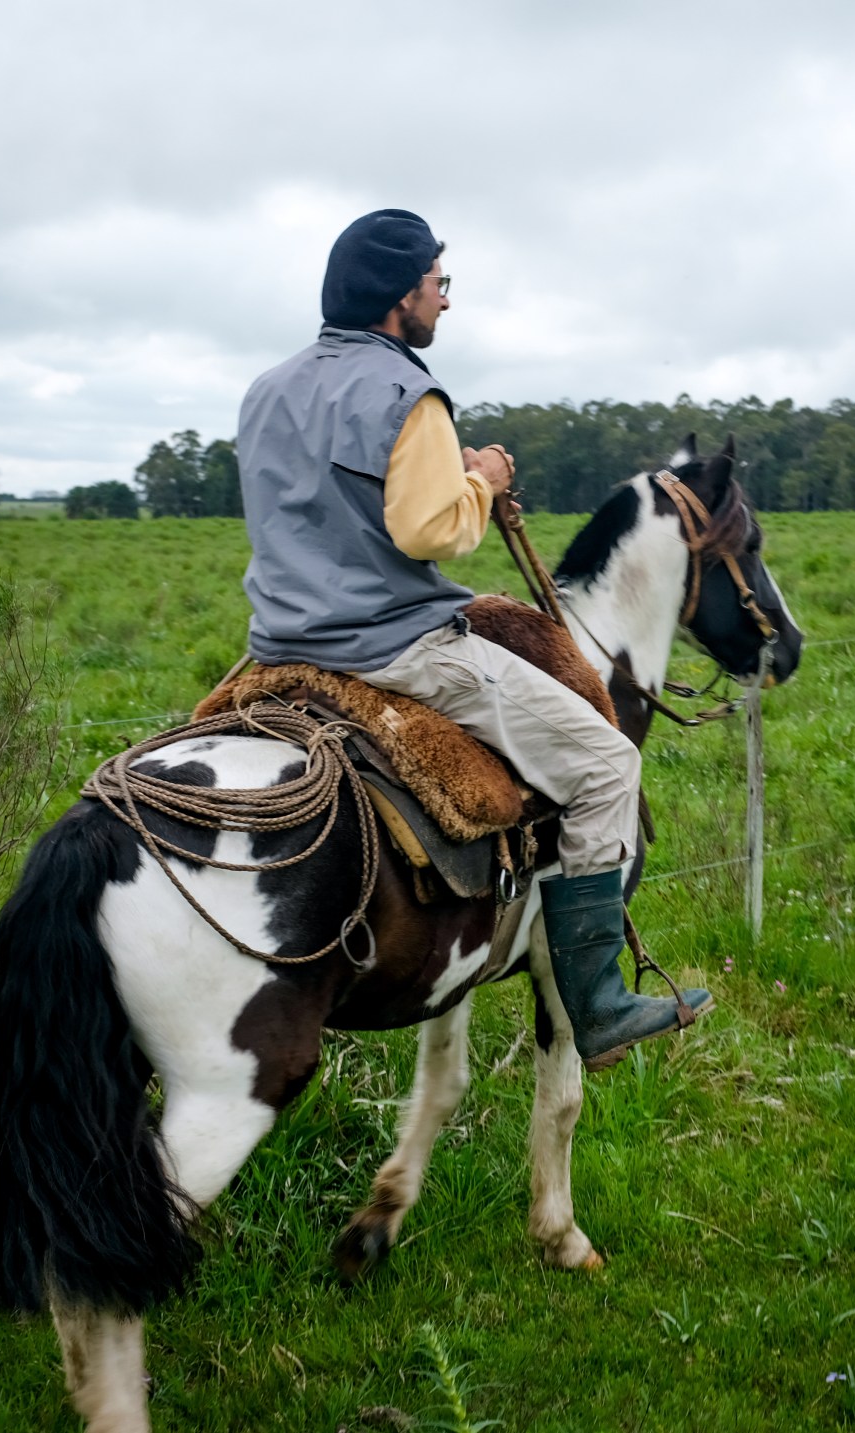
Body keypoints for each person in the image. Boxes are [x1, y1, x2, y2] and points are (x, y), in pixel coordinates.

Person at [237, 208, 712, 1071]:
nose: (445, 302)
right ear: (400, 295)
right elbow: (431, 530)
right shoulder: (407, 394)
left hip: (279, 647)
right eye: (438, 284)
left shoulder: (267, 390)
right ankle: (598, 999)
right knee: (609, 764)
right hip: (394, 649)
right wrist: (483, 480)